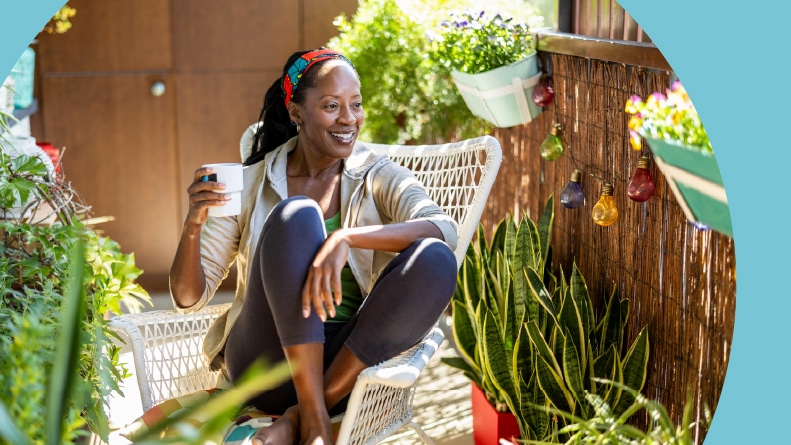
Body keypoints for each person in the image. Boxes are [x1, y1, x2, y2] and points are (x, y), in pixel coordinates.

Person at [169, 48, 459, 445]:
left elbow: (444, 228)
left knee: (436, 257)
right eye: (330, 105)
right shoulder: (252, 182)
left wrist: (346, 236)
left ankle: (302, 415)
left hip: (343, 363)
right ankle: (316, 420)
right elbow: (188, 298)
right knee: (297, 216)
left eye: (355, 104)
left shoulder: (376, 174)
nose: (348, 119)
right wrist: (192, 225)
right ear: (296, 112)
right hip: (265, 363)